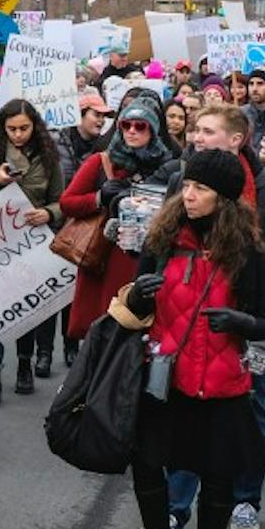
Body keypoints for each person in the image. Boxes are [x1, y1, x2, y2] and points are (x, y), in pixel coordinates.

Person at [113, 149, 265, 529]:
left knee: (217, 476)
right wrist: (140, 297)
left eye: (200, 188)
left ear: (223, 198)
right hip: (164, 376)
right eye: (186, 186)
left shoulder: (245, 251)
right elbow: (131, 309)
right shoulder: (161, 240)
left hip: (220, 383)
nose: (188, 195)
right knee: (147, 463)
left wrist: (240, 323)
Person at [161, 104, 265, 529]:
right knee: (184, 414)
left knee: (246, 414)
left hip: (246, 328)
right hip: (189, 323)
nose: (197, 137)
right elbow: (161, 250)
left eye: (207, 130)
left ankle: (244, 499)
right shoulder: (178, 181)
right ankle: (176, 507)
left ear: (236, 139)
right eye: (196, 130)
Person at [0, 99, 65, 406]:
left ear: (34, 127)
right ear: (2, 128)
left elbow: (62, 201)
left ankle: (25, 364)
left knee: (27, 311)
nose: (18, 135)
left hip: (33, 243)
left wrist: (48, 213)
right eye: (12, 129)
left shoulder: (49, 157)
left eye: (24, 128)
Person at [60, 95, 175, 350]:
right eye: (126, 125)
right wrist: (100, 197)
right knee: (103, 330)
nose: (132, 131)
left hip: (146, 257)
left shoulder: (168, 165)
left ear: (154, 130)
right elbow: (67, 202)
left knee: (139, 334)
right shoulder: (102, 161)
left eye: (140, 126)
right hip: (107, 255)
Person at [57, 92, 113, 185]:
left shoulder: (104, 147)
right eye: (97, 115)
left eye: (103, 116)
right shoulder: (58, 141)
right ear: (81, 115)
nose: (102, 120)